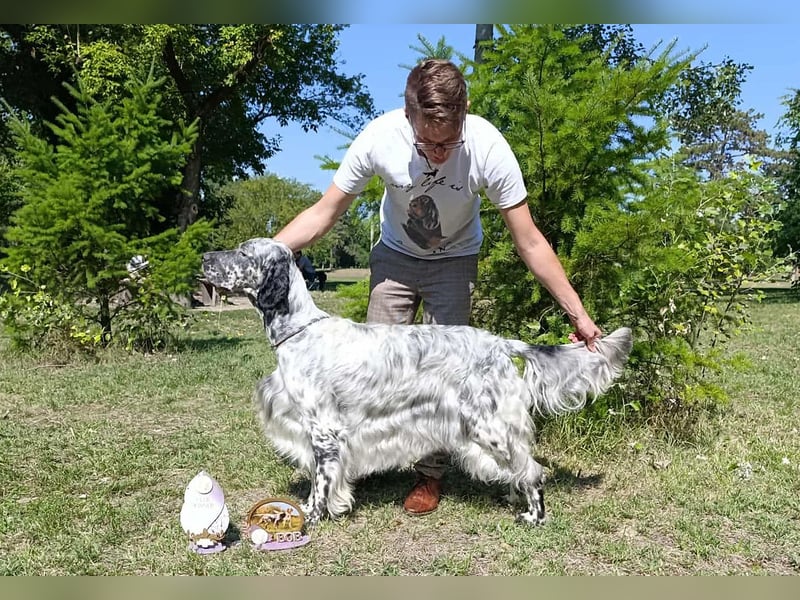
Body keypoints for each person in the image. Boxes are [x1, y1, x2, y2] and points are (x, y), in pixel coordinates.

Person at [275, 58, 602, 517]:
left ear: (465, 114)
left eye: (449, 142)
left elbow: (529, 240)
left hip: (455, 259)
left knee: (451, 379)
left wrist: (580, 316)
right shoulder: (378, 138)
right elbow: (324, 213)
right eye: (427, 143)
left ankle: (429, 477)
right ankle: (362, 468)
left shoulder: (488, 146)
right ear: (407, 116)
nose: (439, 153)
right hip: (395, 257)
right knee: (371, 372)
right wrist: (267, 253)